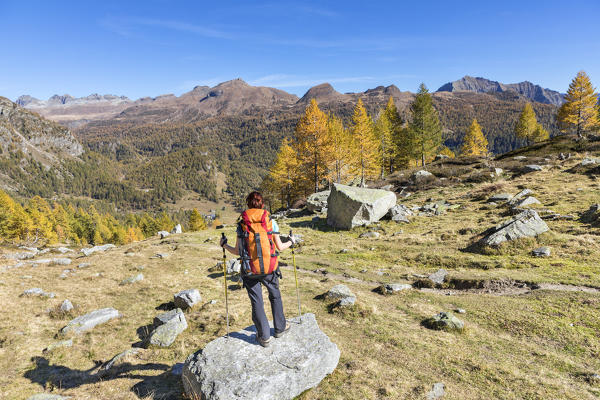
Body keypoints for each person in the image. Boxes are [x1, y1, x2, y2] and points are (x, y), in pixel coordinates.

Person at [220, 191, 295, 347]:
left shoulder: (242, 224)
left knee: (257, 301)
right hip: (270, 268)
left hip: (250, 269)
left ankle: (264, 336)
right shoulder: (270, 221)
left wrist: (223, 244)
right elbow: (280, 247)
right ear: (262, 204)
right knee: (275, 295)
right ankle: (280, 328)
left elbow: (237, 251)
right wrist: (291, 242)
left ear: (248, 204)